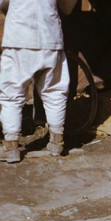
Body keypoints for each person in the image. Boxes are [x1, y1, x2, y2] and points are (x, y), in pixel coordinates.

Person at [0, 0, 75, 164]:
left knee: (11, 94)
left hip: (18, 37)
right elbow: (68, 7)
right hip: (50, 37)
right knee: (55, 91)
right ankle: (56, 142)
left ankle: (11, 146)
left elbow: (3, 4)